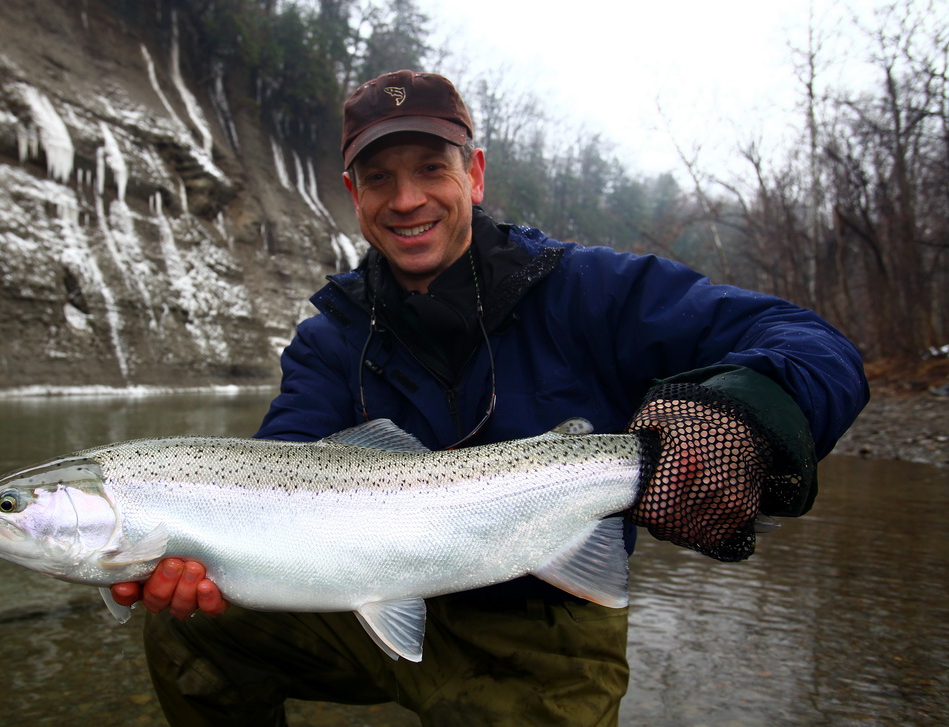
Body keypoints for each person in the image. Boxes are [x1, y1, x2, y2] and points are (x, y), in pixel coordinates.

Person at [111, 70, 869, 726]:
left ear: (473, 175)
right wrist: (205, 546)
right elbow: (279, 467)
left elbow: (813, 344)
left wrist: (738, 407)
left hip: (544, 623)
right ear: (353, 195)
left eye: (431, 169)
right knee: (188, 631)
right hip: (371, 600)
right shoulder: (332, 337)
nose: (407, 200)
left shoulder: (589, 290)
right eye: (380, 178)